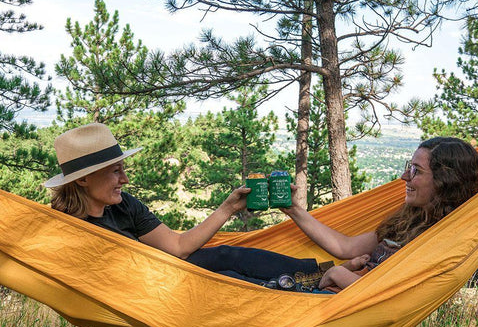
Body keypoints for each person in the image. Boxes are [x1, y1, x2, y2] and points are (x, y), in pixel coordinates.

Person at [44, 123, 324, 288]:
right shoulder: (66, 228)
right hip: (144, 293)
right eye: (115, 171)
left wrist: (228, 208)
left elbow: (178, 247)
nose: (125, 179)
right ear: (83, 180)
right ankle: (307, 294)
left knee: (226, 257)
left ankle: (319, 274)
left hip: (162, 274)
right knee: (224, 279)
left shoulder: (123, 205)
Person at [282, 136, 478, 291]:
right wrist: (294, 210)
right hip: (326, 284)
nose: (405, 176)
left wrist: (337, 273)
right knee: (251, 258)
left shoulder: (440, 239)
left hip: (331, 302)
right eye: (409, 167)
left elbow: (384, 295)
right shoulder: (409, 219)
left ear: (445, 181)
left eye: (416, 171)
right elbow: (346, 247)